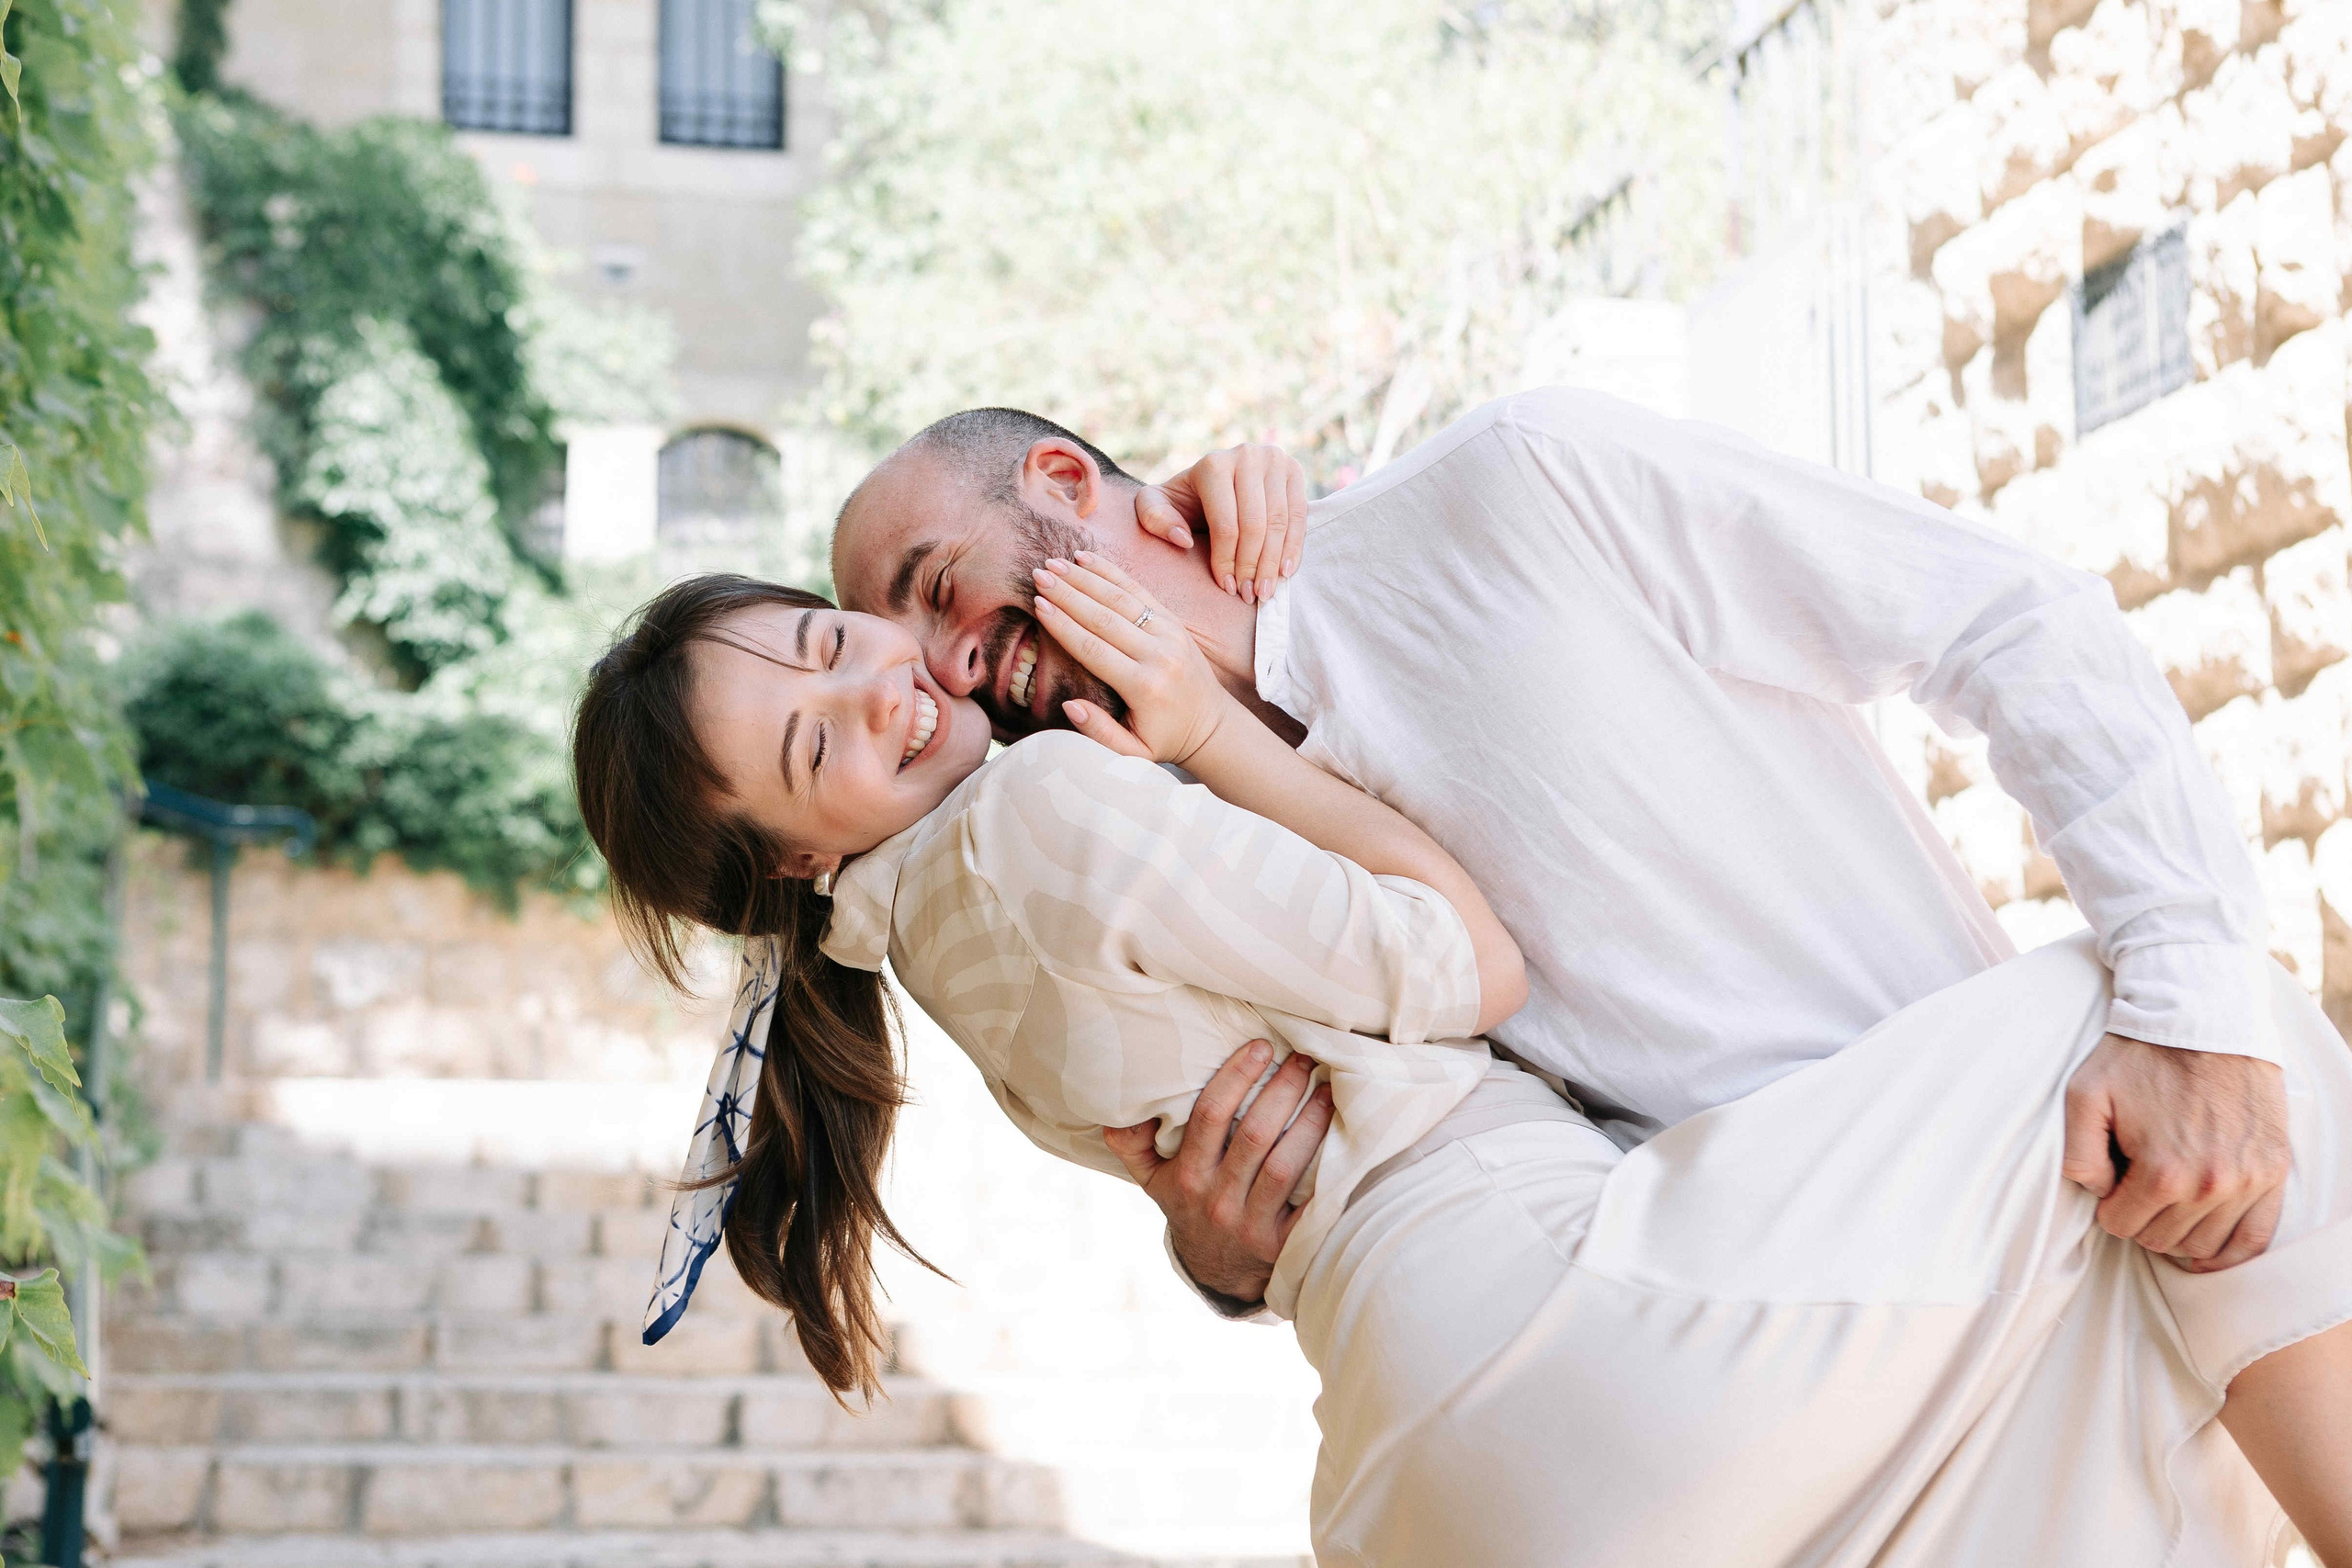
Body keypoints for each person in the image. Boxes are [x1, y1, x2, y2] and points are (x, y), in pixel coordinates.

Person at [571, 555, 2352, 1565]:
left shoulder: (938, 967)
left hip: (1428, 1474)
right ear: (800, 861)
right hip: (1559, 1325)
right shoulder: (1039, 813)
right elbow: (1458, 953)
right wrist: (1208, 739)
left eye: (832, 638)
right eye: (819, 741)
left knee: (2085, 1378)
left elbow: (1236, 1162)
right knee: (2176, 1024)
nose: (890, 682)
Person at [824, 396, 2299, 1322]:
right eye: (916, 664)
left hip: (2074, 1190)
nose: (951, 667)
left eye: (937, 589)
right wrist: (1228, 1257)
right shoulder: (1148, 865)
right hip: (1767, 1371)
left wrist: (2193, 1007)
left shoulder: (1508, 491)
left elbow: (2002, 617)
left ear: (1069, 481)